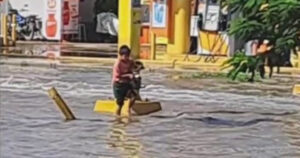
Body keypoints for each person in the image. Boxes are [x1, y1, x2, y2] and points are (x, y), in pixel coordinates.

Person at [112, 45, 136, 116]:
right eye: (124, 56)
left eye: (127, 56)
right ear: (120, 55)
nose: (126, 58)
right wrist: (128, 75)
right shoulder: (117, 64)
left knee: (133, 96)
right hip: (118, 84)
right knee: (120, 104)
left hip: (127, 83)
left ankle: (129, 109)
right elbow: (117, 75)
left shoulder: (130, 61)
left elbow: (134, 67)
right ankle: (117, 116)